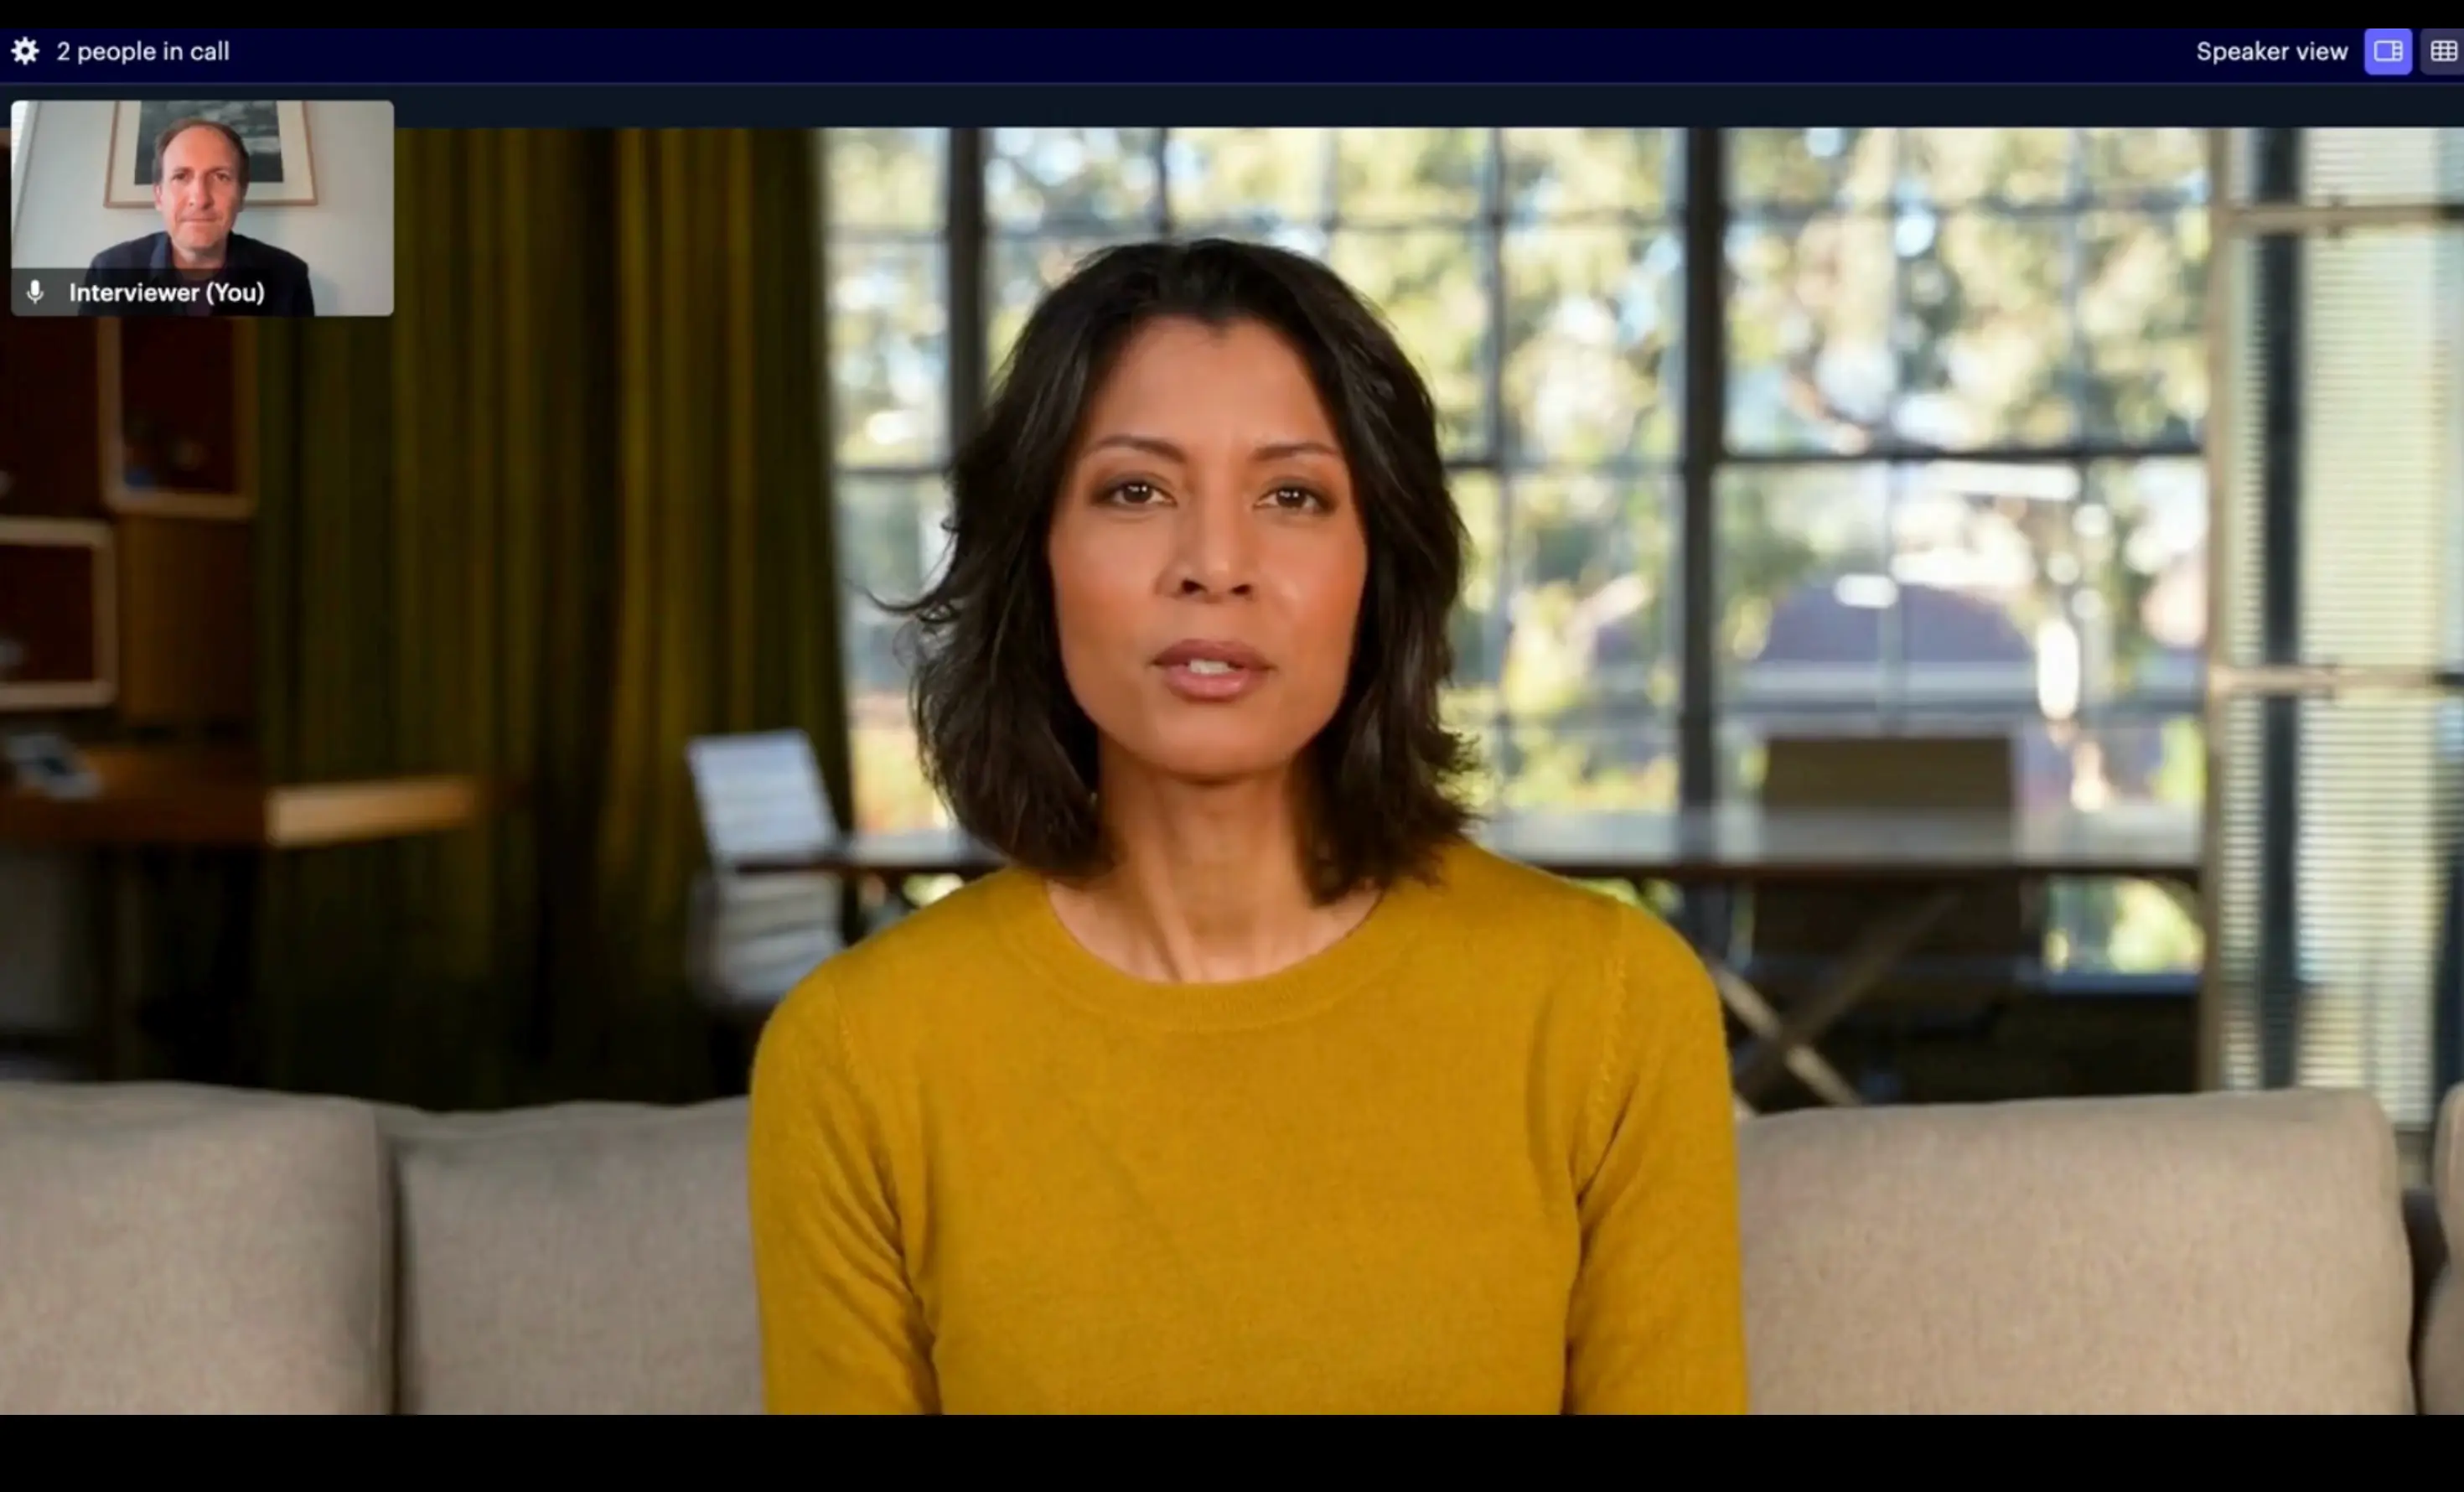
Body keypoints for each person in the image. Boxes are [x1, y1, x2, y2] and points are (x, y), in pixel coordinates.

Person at [747, 238, 1748, 1415]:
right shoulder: (859, 1055)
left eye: (1293, 496)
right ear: (1040, 561)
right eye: (1136, 491)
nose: (1215, 564)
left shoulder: (1610, 1008)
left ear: (1378, 570)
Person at [81, 117, 314, 318]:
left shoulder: (288, 277)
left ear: (242, 195)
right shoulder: (109, 273)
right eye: (181, 176)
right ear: (159, 196)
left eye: (220, 177)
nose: (201, 199)